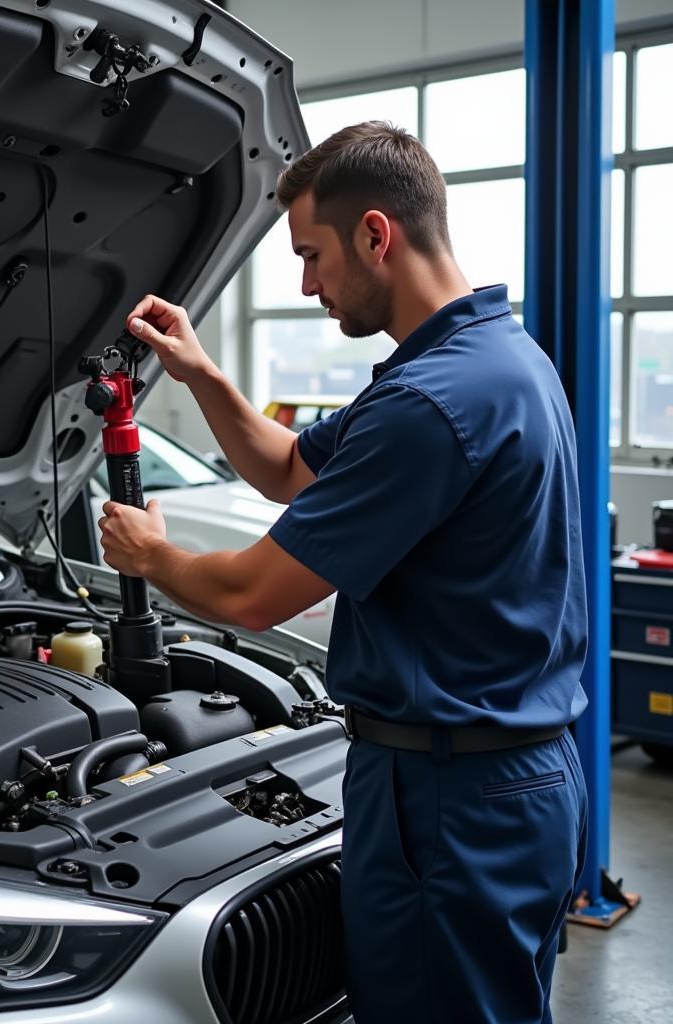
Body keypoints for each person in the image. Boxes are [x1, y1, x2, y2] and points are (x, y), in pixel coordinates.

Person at [98, 121, 588, 1024]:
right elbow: (289, 467)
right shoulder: (491, 362)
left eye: (313, 255)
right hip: (506, 780)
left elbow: (251, 596)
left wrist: (150, 556)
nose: (306, 284)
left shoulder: (432, 404)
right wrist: (201, 373)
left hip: (450, 801)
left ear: (375, 234)